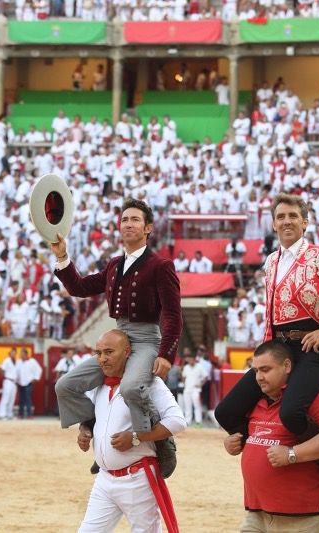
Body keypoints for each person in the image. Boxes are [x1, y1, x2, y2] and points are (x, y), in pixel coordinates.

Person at [215, 193, 319, 523]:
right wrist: (262, 355)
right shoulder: (271, 262)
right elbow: (271, 318)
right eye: (280, 216)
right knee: (225, 411)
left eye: (293, 216)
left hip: (312, 350)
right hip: (278, 350)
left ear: (305, 221)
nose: (286, 221)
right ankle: (259, 442)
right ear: (273, 223)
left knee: (291, 413)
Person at [52, 198, 182, 478]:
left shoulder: (161, 265)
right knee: (66, 385)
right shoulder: (114, 265)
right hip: (119, 337)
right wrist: (63, 257)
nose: (128, 224)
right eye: (124, 220)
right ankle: (95, 426)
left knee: (133, 387)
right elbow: (80, 287)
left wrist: (166, 353)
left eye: (135, 220)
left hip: (147, 338)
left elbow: (173, 314)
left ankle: (162, 442)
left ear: (147, 228)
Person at [222, 341, 319, 532]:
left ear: (287, 366)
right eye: (256, 371)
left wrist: (292, 453)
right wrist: (233, 442)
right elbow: (255, 437)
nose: (259, 377)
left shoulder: (312, 398)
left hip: (301, 517)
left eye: (265, 369)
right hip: (256, 514)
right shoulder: (255, 401)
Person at [76, 329, 186, 533]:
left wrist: (136, 438)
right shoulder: (98, 384)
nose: (102, 359)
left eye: (109, 352)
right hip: (104, 478)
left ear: (127, 352)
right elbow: (92, 418)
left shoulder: (149, 383)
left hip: (138, 479)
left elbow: (178, 421)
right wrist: (85, 431)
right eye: (98, 353)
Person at [180, 352, 208, 426]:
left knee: (197, 405)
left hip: (196, 389)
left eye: (192, 359)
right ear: (188, 360)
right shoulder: (186, 367)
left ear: (194, 359)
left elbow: (205, 377)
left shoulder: (199, 367)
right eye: (189, 359)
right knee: (187, 405)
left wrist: (201, 384)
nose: (191, 361)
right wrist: (184, 383)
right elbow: (183, 377)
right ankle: (187, 421)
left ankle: (198, 421)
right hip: (187, 389)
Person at [17, 348, 42, 419]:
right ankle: (20, 414)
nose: (20, 355)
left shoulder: (32, 361)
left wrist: (35, 379)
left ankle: (29, 415)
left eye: (21, 354)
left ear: (25, 354)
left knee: (28, 399)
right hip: (20, 383)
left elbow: (39, 369)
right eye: (20, 354)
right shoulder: (18, 362)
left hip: (28, 383)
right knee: (21, 400)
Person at [0, 348, 18, 420]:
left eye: (14, 353)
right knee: (5, 398)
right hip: (8, 381)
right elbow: (2, 370)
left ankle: (9, 414)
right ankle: (2, 414)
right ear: (10, 353)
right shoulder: (7, 360)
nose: (13, 354)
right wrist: (5, 377)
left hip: (14, 382)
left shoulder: (16, 361)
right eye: (12, 352)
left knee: (12, 399)